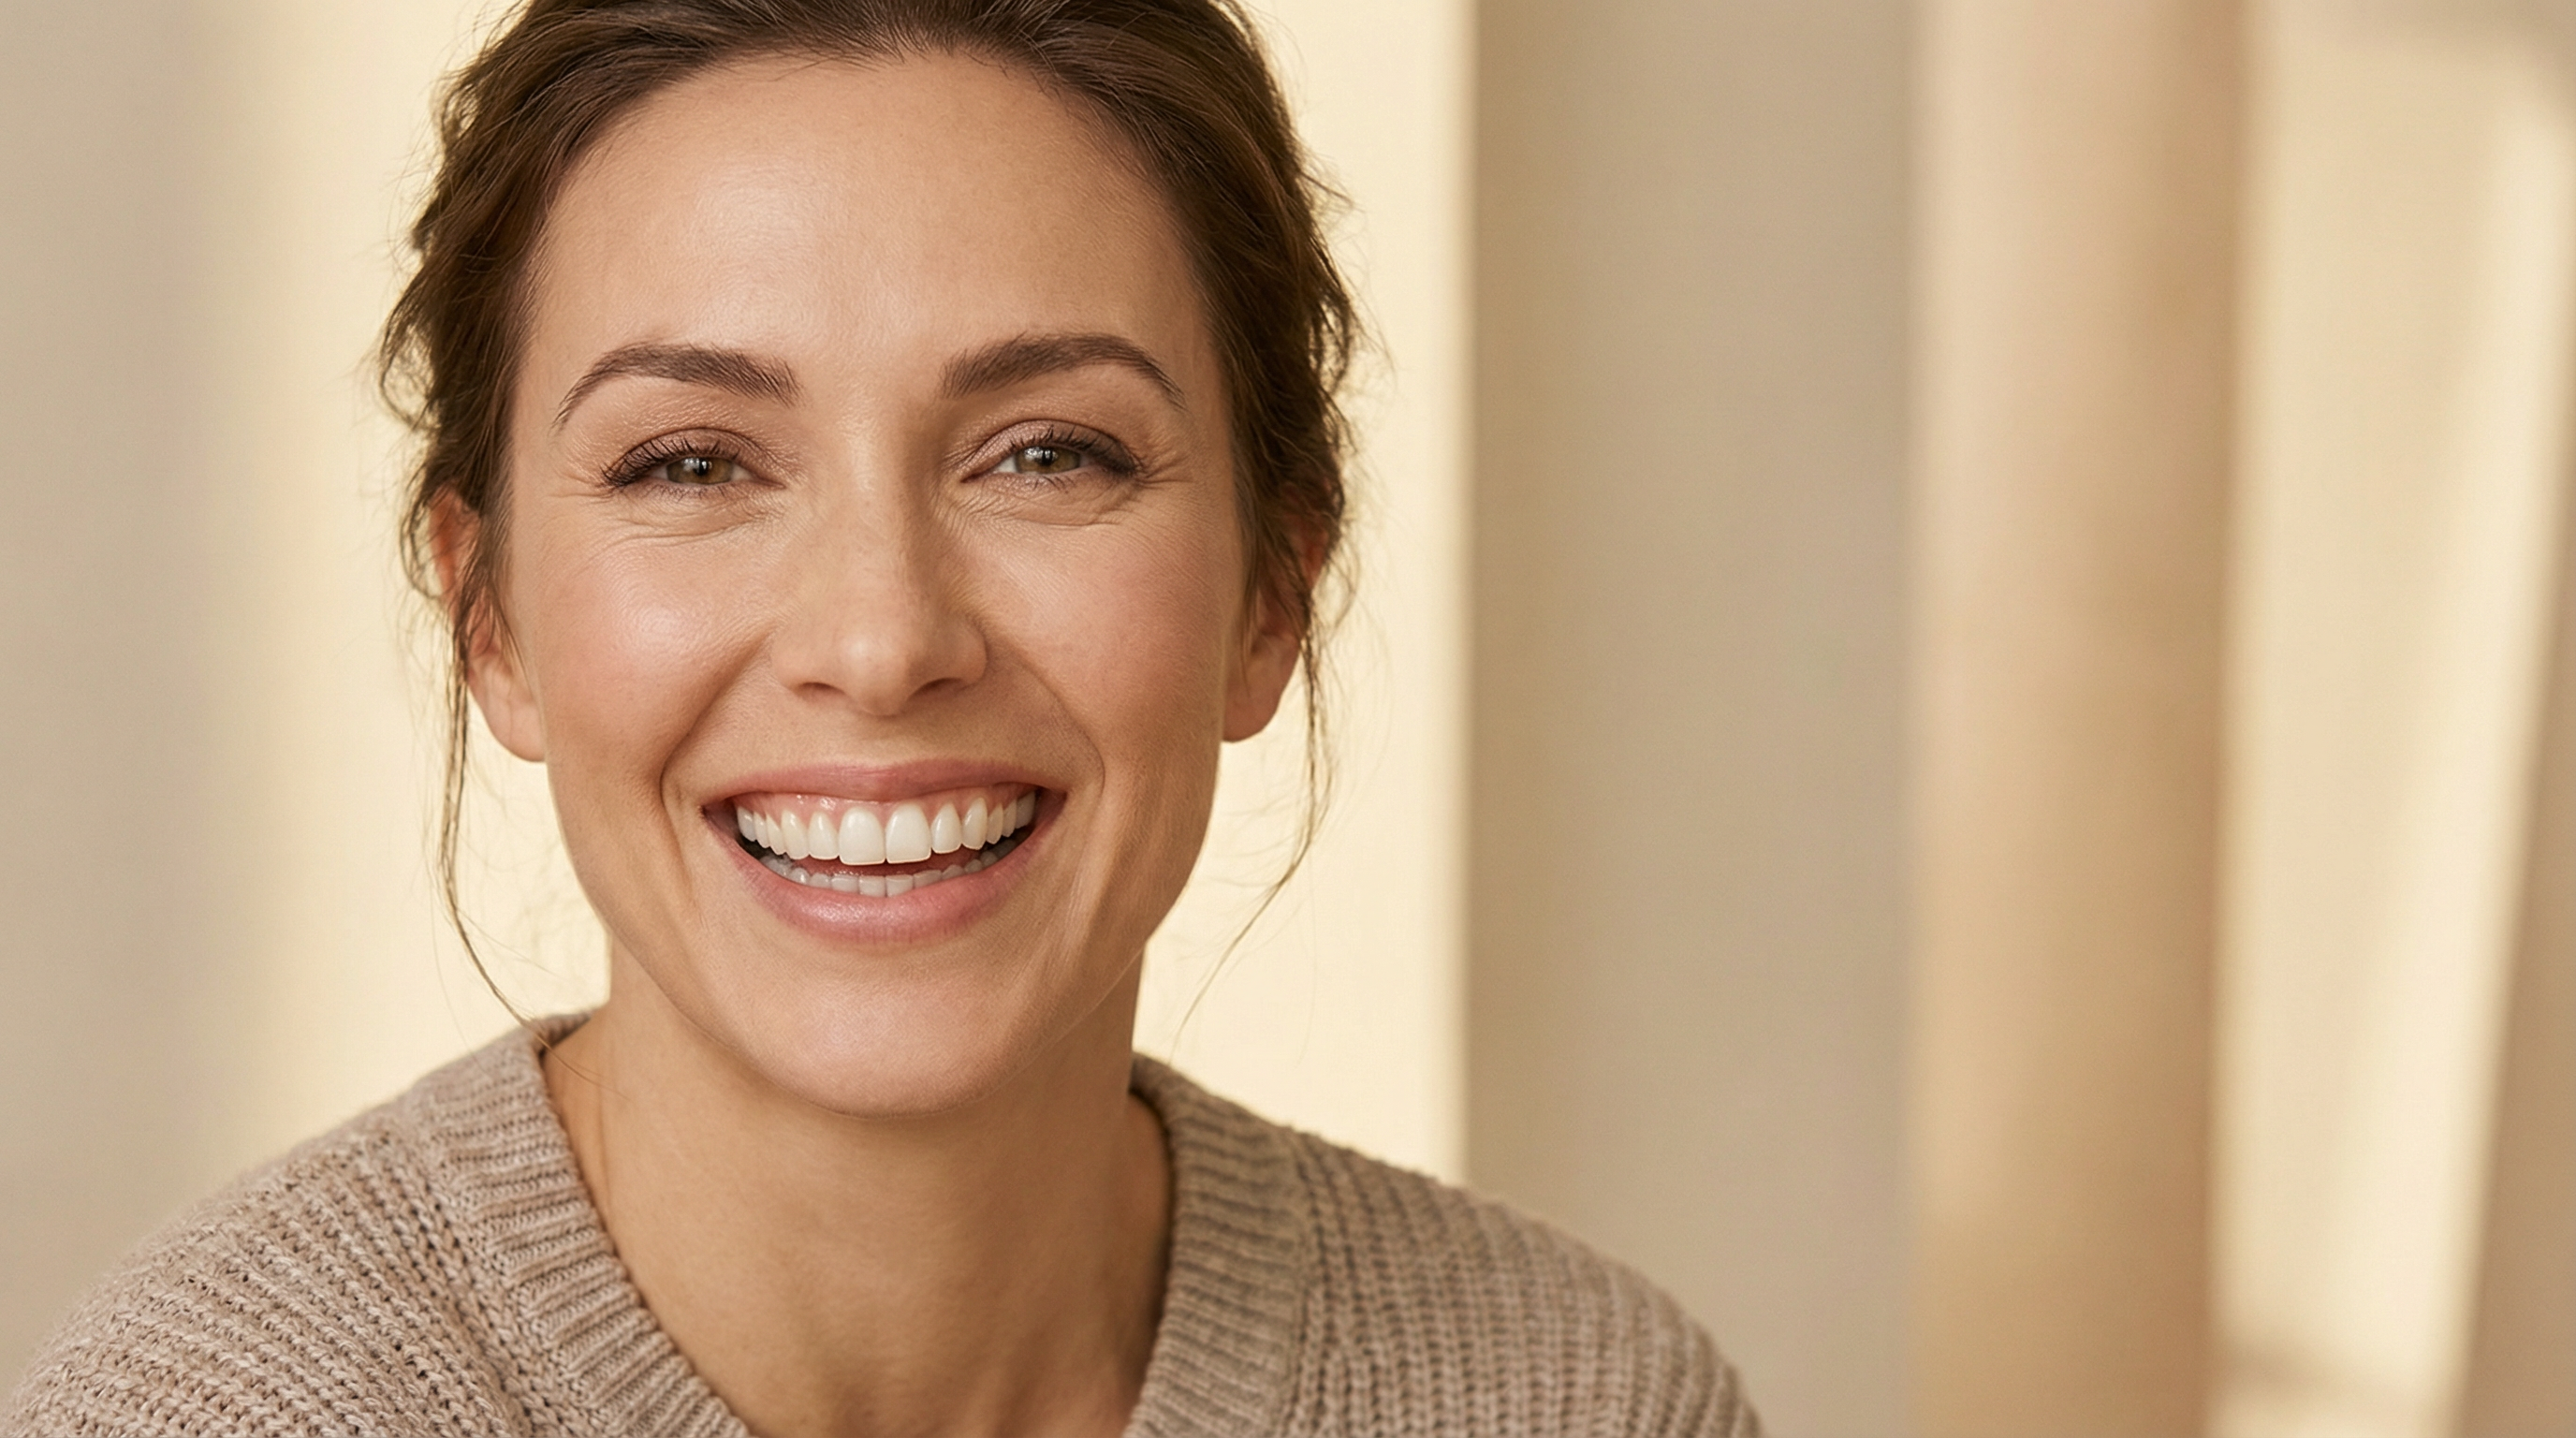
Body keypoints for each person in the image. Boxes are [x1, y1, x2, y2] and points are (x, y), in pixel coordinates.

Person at [5, 2, 1757, 1433]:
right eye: (693, 464)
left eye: (1048, 454)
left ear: (1272, 593)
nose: (880, 638)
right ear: (492, 619)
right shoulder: (211, 1414)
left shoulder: (1583, 1399)